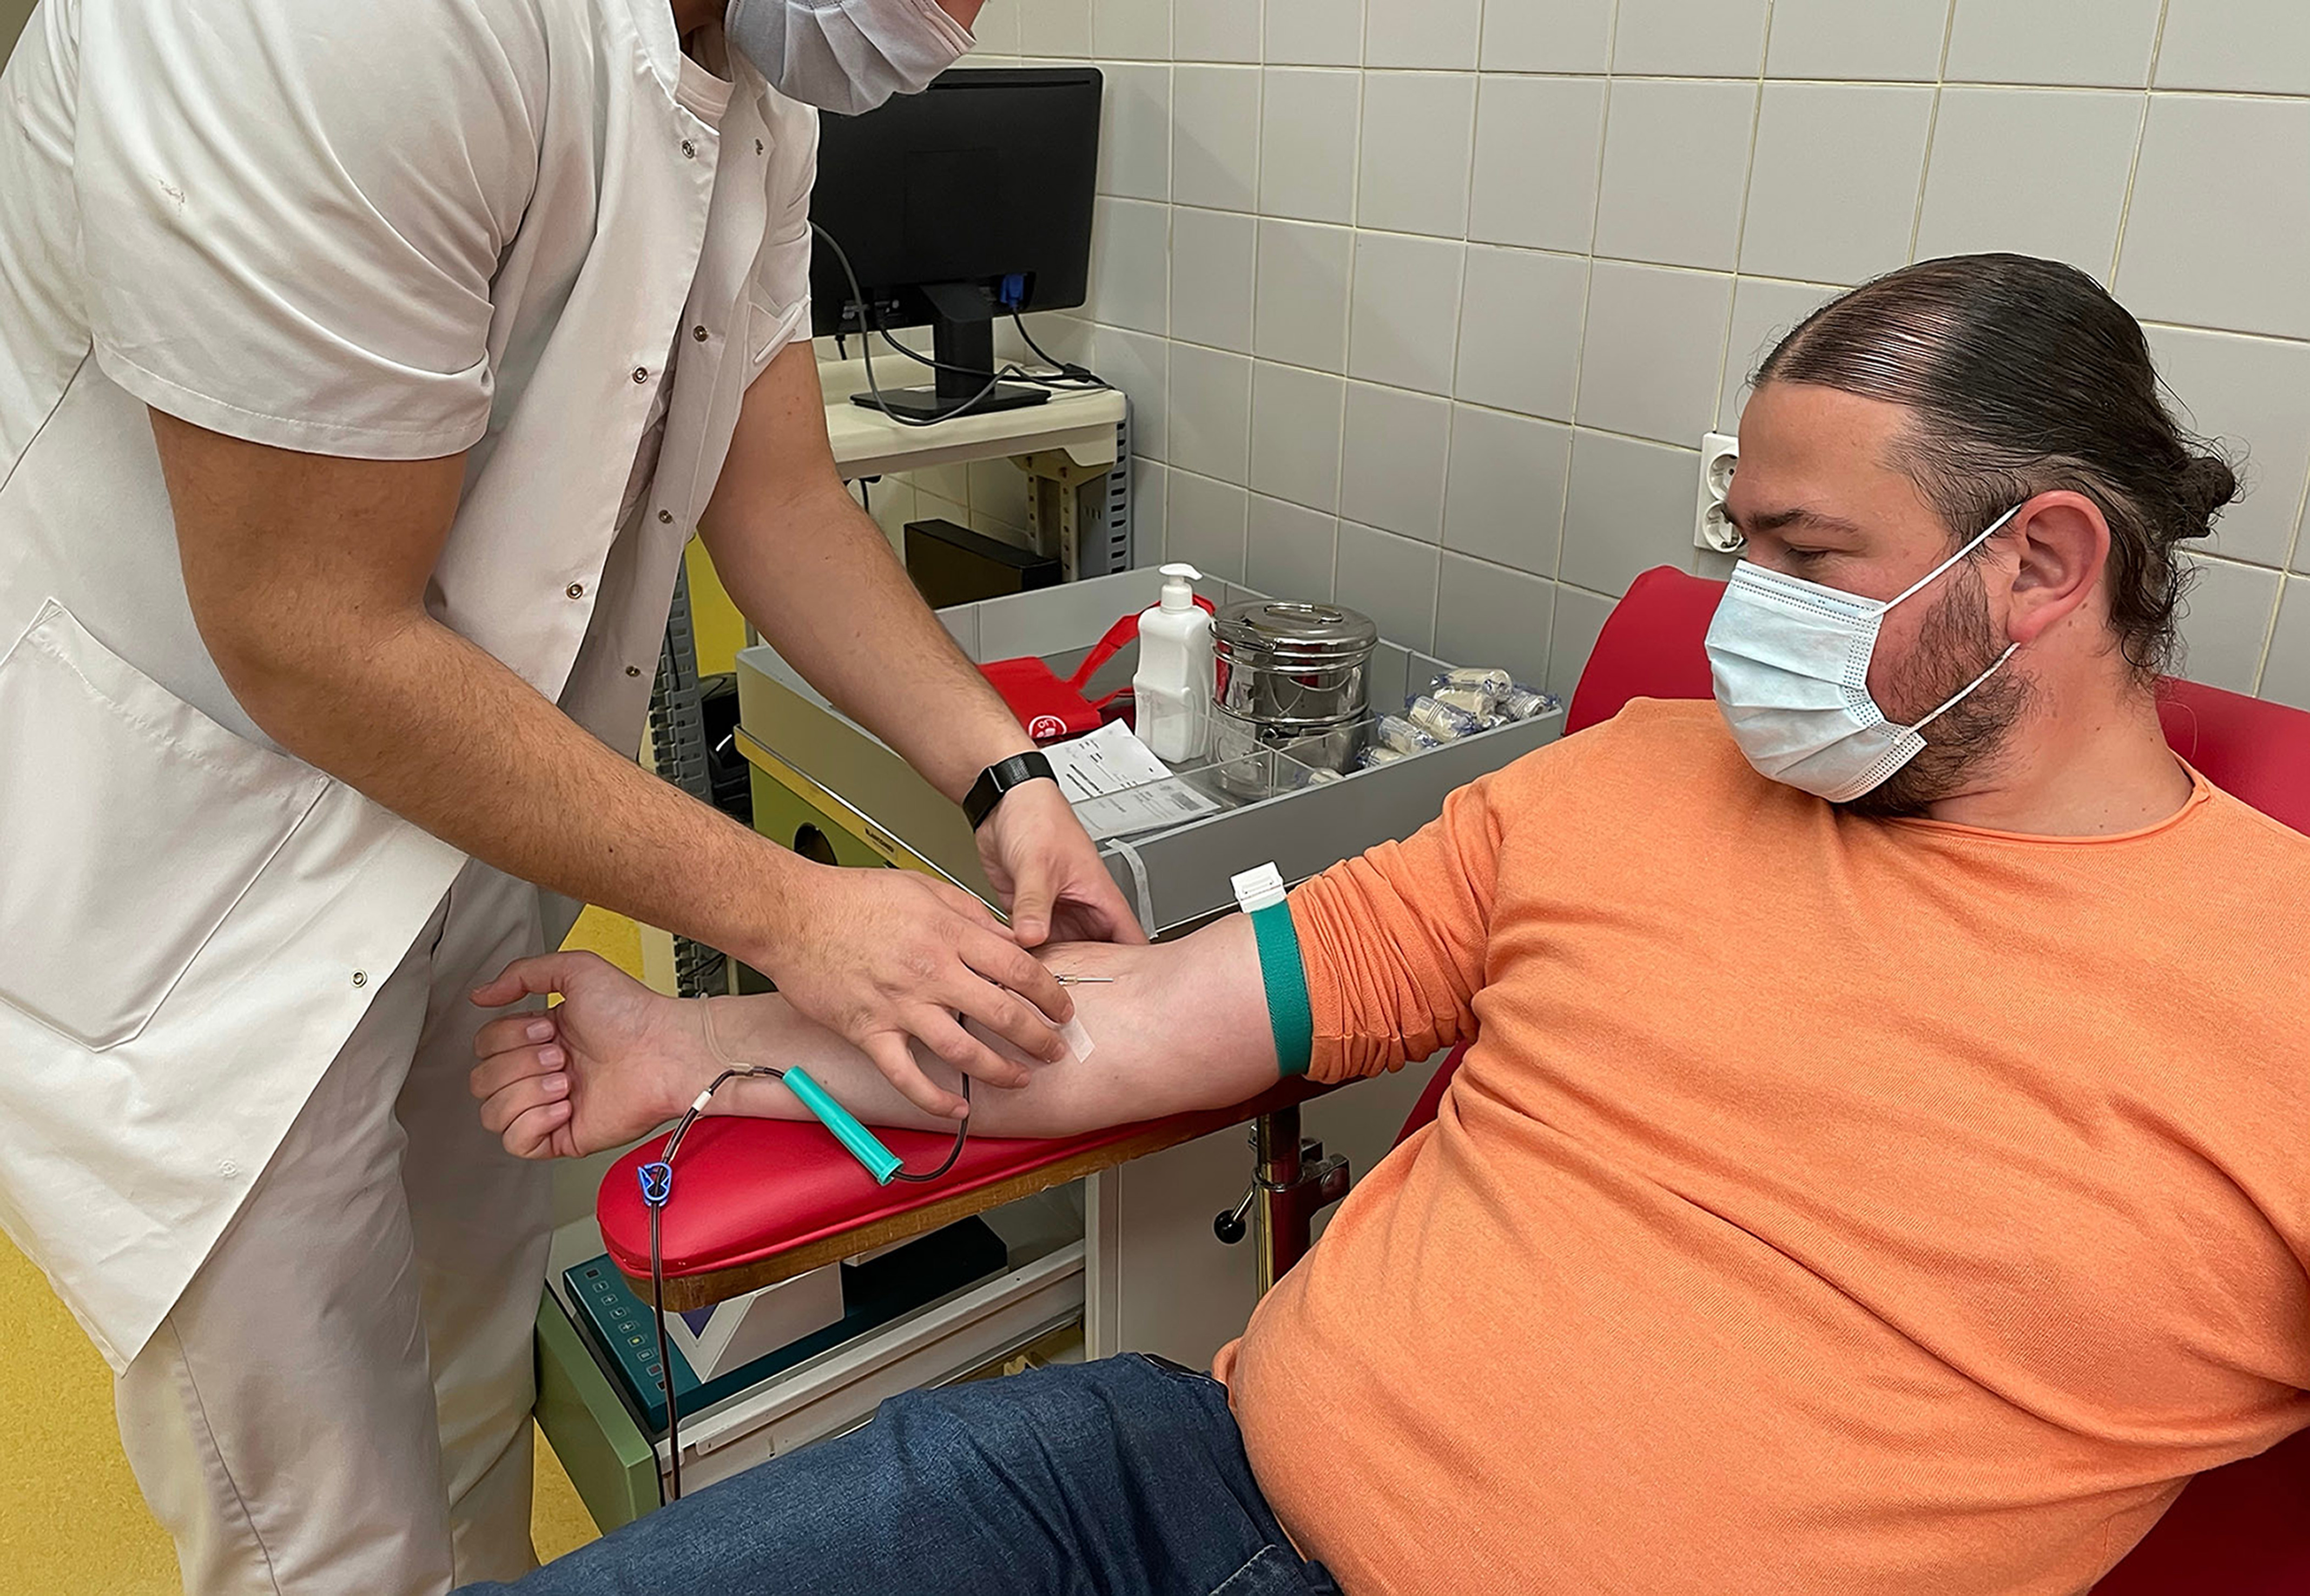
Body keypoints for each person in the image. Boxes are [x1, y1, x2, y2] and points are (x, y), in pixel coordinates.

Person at [461, 256, 2310, 1596]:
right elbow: (1133, 1026)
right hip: (1157, 1490)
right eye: (1735, 538)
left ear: (2045, 567)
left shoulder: (2278, 982)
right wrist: (696, 1048)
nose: (1737, 606)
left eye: (1806, 558)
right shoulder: (1626, 779)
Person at [0, 1, 1137, 1591]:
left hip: (468, 806)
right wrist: (796, 917)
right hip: (194, 876)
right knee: (329, 1530)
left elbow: (784, 495)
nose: (952, 17)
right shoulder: (332, 27)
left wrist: (1004, 773)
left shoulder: (750, 72)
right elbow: (311, 632)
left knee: (475, 1397)